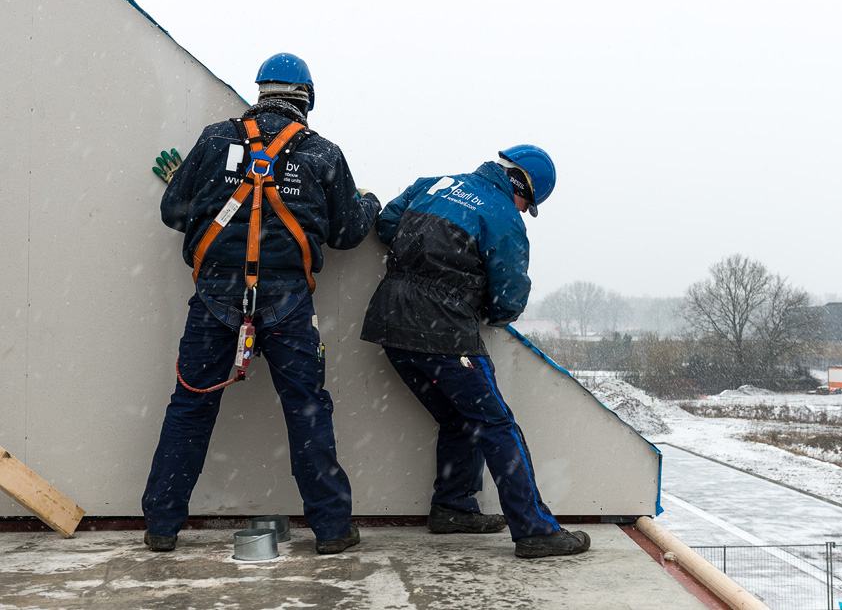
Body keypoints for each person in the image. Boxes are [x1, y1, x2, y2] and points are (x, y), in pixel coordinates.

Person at [142, 53, 380, 554]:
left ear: (259, 92)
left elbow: (173, 212)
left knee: (189, 407)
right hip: (288, 302)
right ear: (306, 100)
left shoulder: (214, 139)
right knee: (308, 410)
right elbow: (347, 234)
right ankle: (333, 529)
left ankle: (162, 525)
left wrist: (205, 191)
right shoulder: (323, 155)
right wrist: (368, 204)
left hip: (215, 296)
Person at [360, 145, 591, 558]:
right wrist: (479, 305)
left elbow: (387, 224)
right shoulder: (502, 217)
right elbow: (508, 298)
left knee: (458, 418)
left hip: (389, 324)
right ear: (522, 185)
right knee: (498, 426)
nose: (523, 211)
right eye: (528, 203)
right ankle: (535, 529)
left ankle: (454, 507)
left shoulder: (434, 184)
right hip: (444, 333)